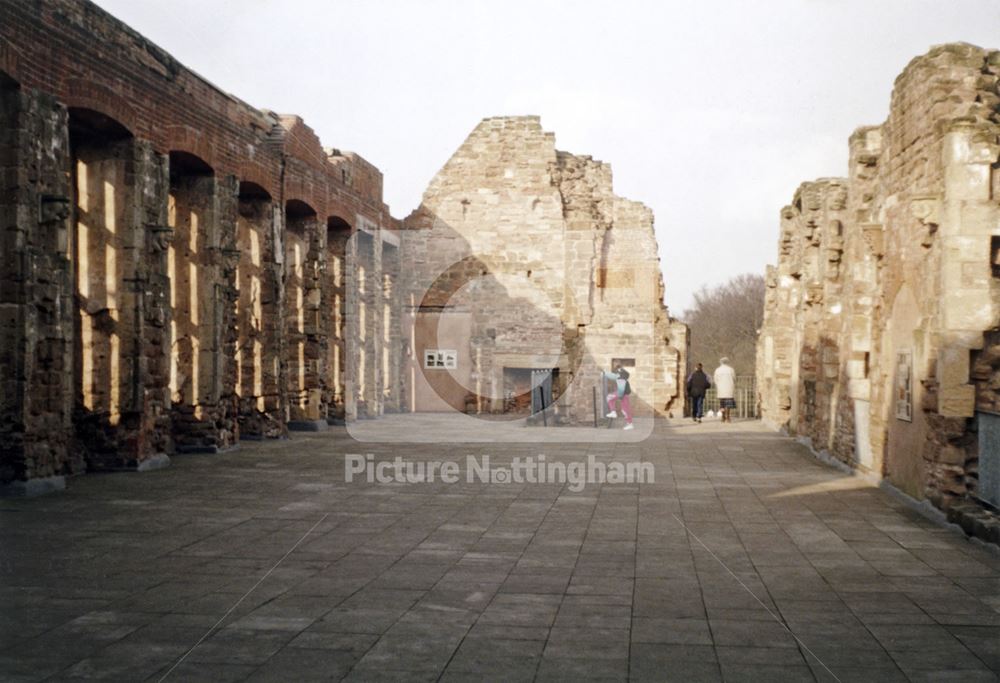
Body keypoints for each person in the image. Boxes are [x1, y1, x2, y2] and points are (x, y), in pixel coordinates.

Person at [603, 366, 634, 431]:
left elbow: (621, 389)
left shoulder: (621, 379)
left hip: (623, 395)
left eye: (617, 373)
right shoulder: (621, 377)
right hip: (624, 395)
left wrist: (620, 396)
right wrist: (604, 373)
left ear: (620, 374)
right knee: (624, 409)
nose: (616, 374)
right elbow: (613, 376)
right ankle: (629, 423)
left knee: (609, 398)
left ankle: (629, 423)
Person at [713, 357, 737, 423]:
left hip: (721, 389)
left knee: (722, 404)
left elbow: (715, 379)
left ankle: (723, 417)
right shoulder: (731, 369)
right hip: (729, 388)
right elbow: (734, 378)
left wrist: (718, 384)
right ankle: (728, 417)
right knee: (728, 404)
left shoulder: (717, 370)